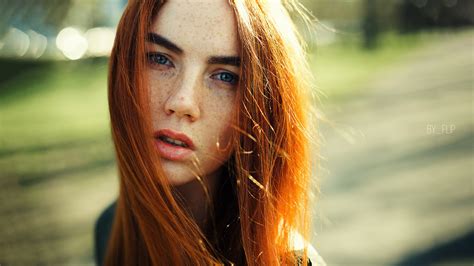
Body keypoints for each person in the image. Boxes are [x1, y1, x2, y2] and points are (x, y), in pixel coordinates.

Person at [94, 0, 325, 265]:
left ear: (265, 104)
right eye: (160, 59)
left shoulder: (287, 261)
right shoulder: (110, 228)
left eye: (225, 76)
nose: (182, 102)